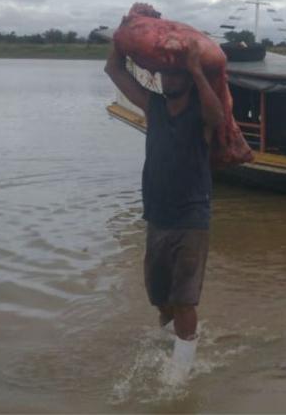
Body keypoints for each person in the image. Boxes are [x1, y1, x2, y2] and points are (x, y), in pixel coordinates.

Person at [104, 41, 225, 382]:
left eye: (176, 75)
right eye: (165, 75)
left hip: (191, 216)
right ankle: (171, 347)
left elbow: (217, 117)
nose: (168, 81)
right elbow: (113, 70)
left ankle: (180, 374)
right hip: (157, 216)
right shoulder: (153, 105)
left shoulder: (201, 112)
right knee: (161, 299)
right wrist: (123, 30)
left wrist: (197, 71)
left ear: (187, 78)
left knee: (184, 299)